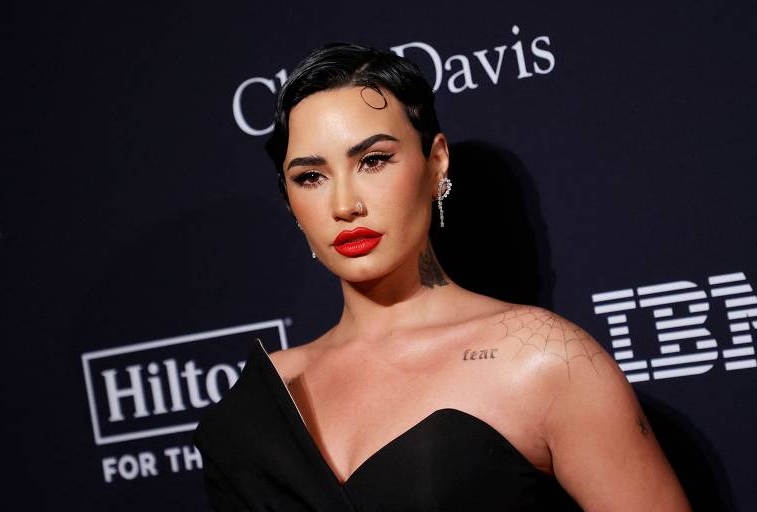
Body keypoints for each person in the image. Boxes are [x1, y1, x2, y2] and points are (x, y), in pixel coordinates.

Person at [193, 42, 691, 511]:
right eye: (311, 177)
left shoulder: (541, 358)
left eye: (373, 160)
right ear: (291, 203)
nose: (345, 204)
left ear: (436, 164)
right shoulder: (262, 399)